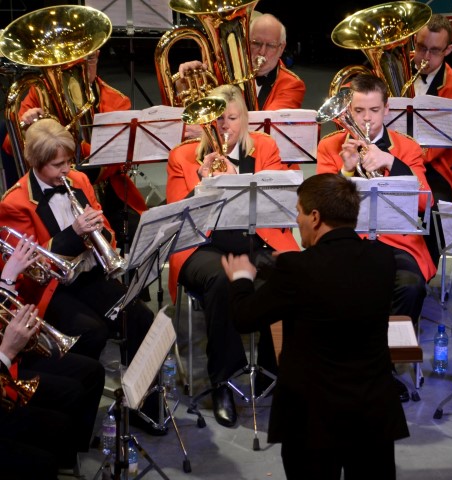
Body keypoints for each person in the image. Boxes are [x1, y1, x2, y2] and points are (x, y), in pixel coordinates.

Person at [221, 173, 409, 479]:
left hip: (312, 417)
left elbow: (245, 318)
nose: (297, 220)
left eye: (299, 212)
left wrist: (241, 279)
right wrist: (295, 264)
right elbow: (337, 278)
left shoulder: (297, 270)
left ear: (316, 217)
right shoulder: (383, 258)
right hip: (371, 412)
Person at [0, 118, 163, 435]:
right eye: (57, 165)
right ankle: (73, 421)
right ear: (36, 163)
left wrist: (102, 232)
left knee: (140, 317)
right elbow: (32, 268)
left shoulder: (79, 180)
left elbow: (105, 228)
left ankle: (143, 406)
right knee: (92, 332)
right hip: (51, 289)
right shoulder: (15, 202)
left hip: (89, 275)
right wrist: (74, 233)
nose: (66, 170)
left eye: (68, 161)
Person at [166, 83, 300, 428]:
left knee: (293, 273)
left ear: (245, 118)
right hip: (204, 247)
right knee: (223, 280)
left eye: (232, 118)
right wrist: (202, 184)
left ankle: (275, 369)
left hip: (256, 240)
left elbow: (277, 202)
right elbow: (175, 216)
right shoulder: (183, 156)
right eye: (217, 119)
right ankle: (222, 381)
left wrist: (236, 178)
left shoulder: (265, 147)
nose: (224, 126)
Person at [316, 74, 434, 402]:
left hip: (396, 241)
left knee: (410, 286)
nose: (366, 118)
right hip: (347, 241)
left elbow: (424, 202)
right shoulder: (330, 146)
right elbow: (320, 208)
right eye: (358, 111)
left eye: (374, 110)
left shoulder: (407, 148)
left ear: (387, 109)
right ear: (348, 110)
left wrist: (391, 162)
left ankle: (385, 366)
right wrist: (346, 171)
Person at [2, 49, 148, 255]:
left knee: (140, 234)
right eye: (71, 61)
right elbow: (10, 146)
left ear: (98, 56)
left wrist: (75, 151)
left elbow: (117, 159)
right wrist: (25, 127)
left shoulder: (115, 100)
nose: (80, 67)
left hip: (105, 186)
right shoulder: (39, 93)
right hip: (48, 187)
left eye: (89, 59)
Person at [0, 234, 105, 478]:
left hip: (10, 355)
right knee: (66, 405)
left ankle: (68, 458)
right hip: (7, 365)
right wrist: (7, 280)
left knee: (91, 373)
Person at [411, 13, 452, 267]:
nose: (425, 57)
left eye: (434, 51)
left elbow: (434, 146)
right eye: (421, 47)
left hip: (434, 167)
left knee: (433, 206)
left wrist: (402, 158)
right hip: (389, 156)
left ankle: (423, 268)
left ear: (448, 50)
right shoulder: (397, 68)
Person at [177, 13, 305, 111]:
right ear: (246, 42)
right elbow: (190, 103)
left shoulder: (291, 84)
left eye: (270, 45)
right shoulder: (224, 70)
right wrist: (185, 82)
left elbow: (267, 124)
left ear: (281, 48)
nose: (262, 51)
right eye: (256, 43)